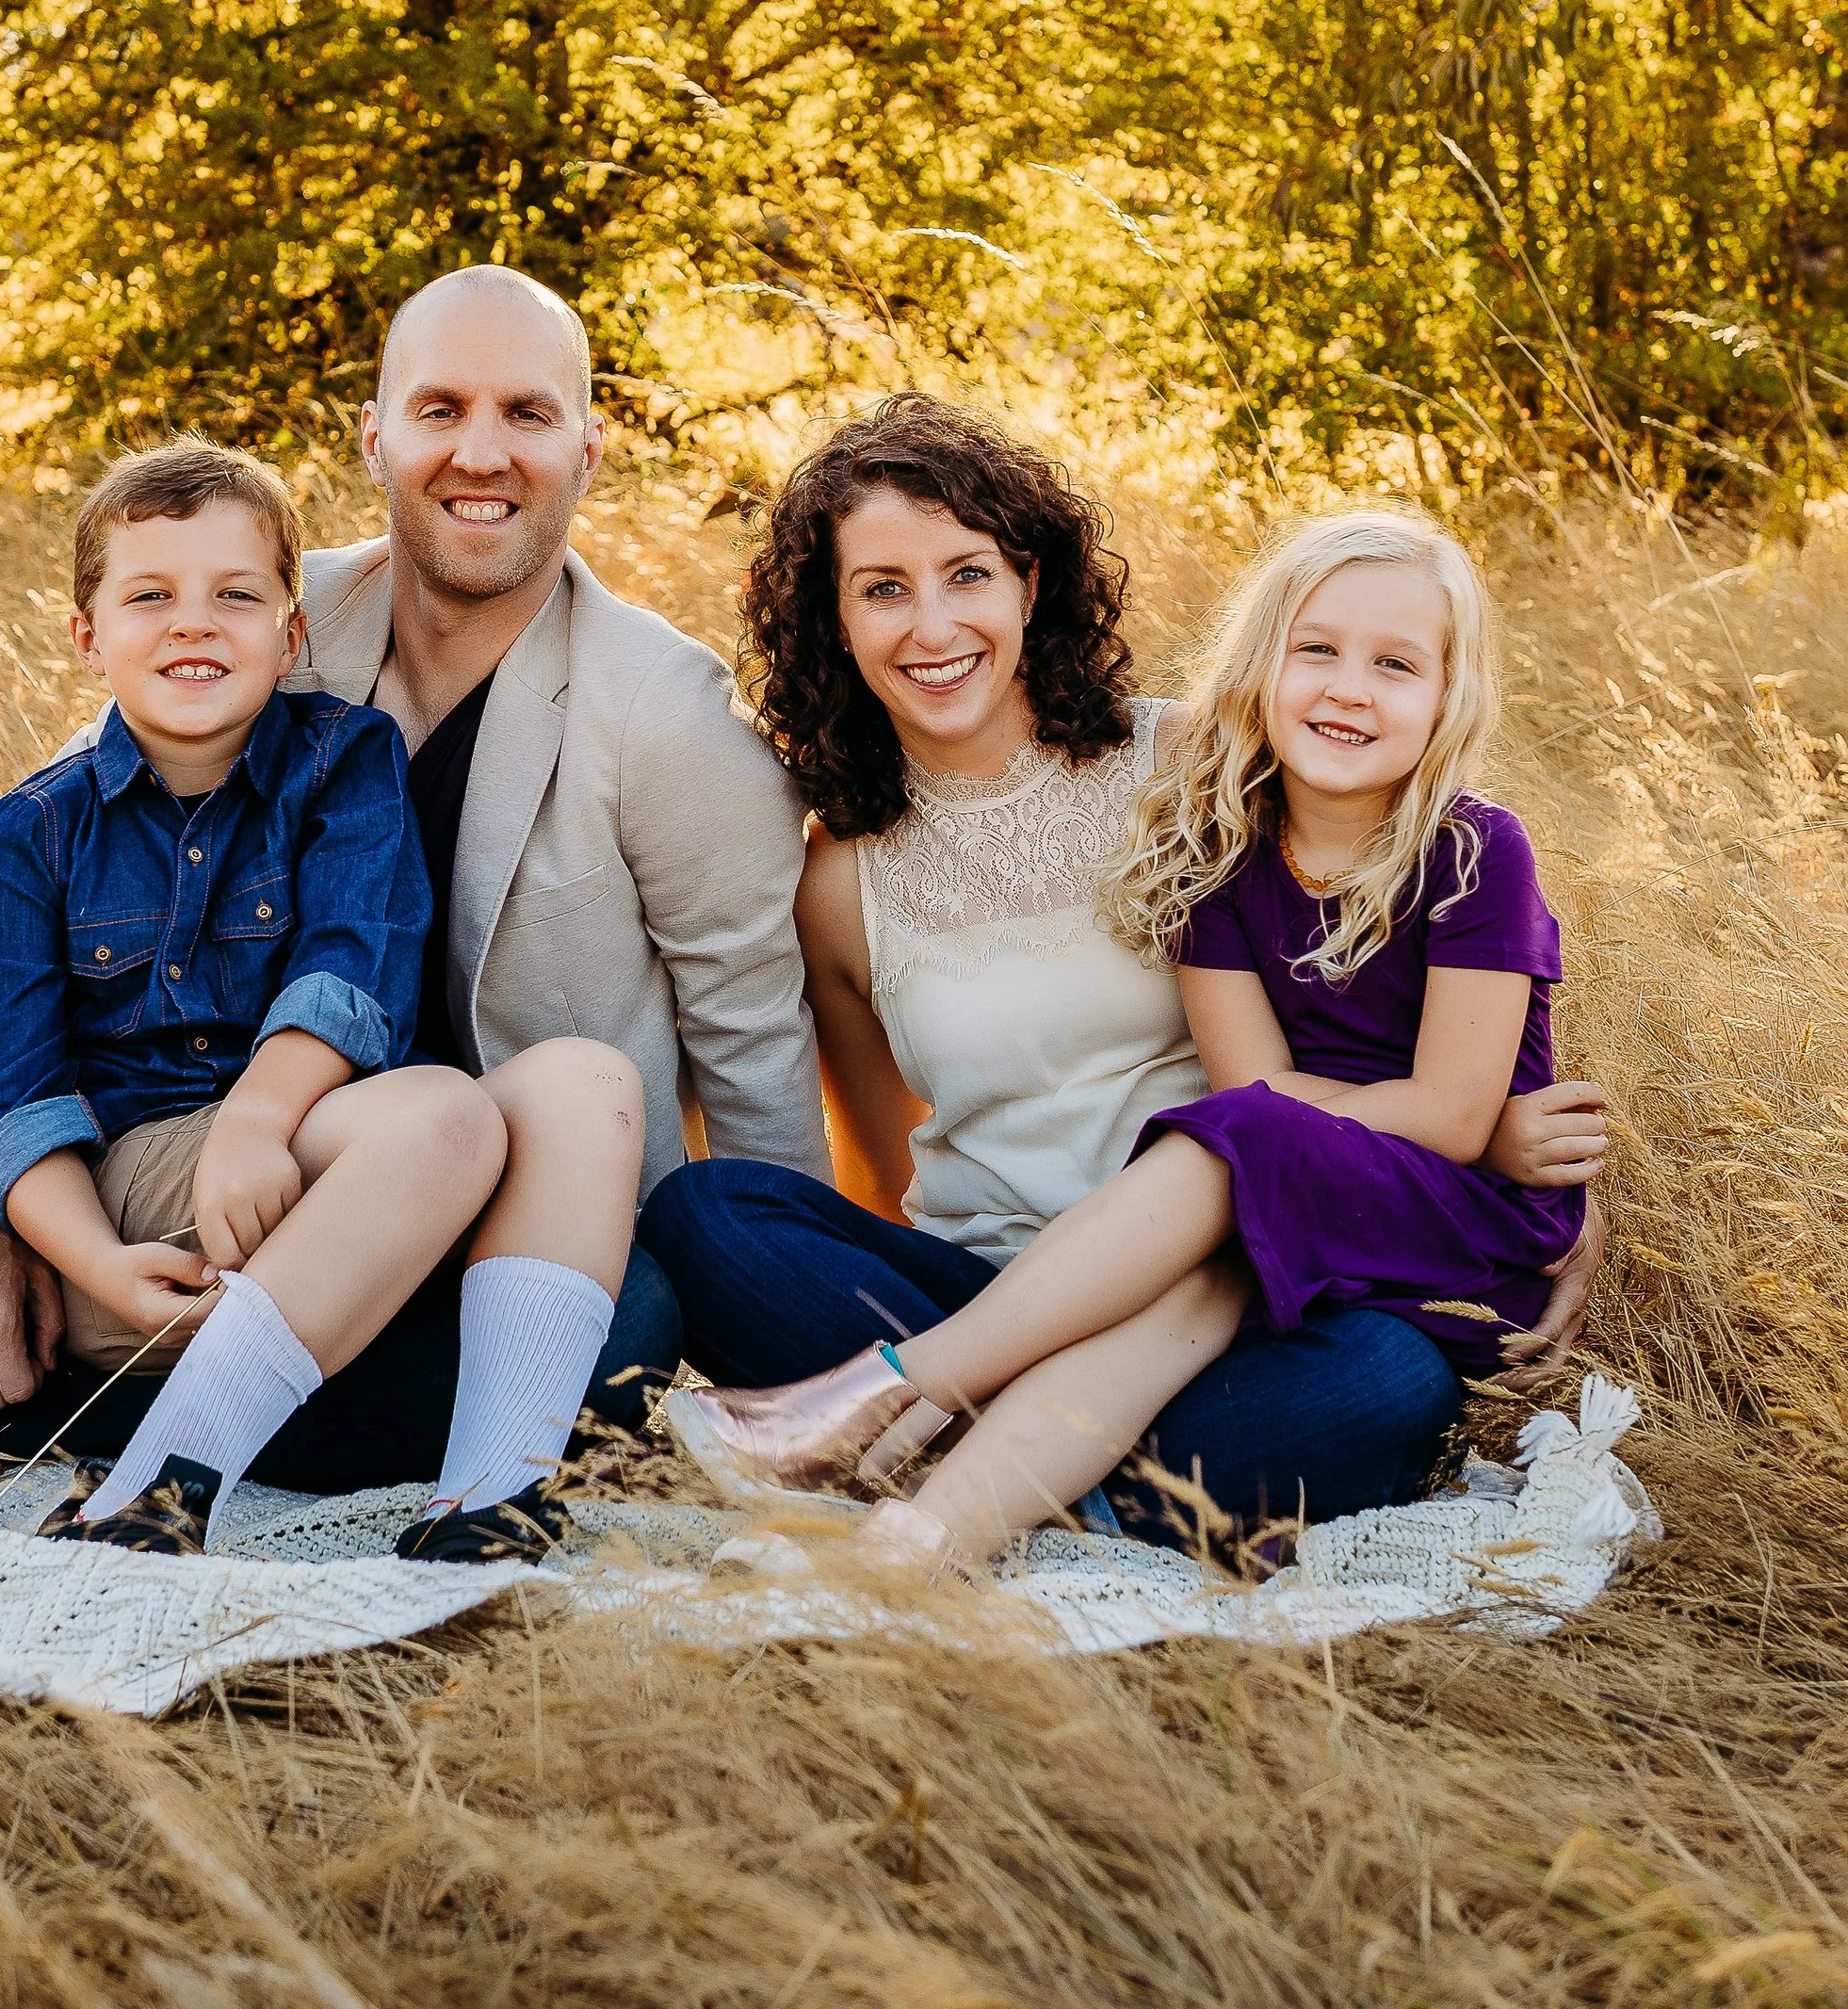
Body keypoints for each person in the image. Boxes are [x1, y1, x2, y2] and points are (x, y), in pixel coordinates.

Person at [0, 267, 829, 1532]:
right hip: (156, 1144)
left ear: (589, 445)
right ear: (376, 435)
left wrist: (802, 1361)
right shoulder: (256, 603)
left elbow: (754, 1042)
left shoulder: (664, 714)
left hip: (469, 1195)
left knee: (633, 1335)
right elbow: (11, 907)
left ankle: (140, 1419)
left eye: (528, 413)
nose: (482, 453)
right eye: (441, 408)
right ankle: (152, 1385)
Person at [639, 399, 1608, 1544]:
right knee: (708, 1213)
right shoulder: (838, 880)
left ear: (1030, 586)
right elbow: (878, 1162)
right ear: (833, 619)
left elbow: (1381, 951)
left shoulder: (1190, 767)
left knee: (1385, 1379)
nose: (933, 623)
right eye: (882, 587)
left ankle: (945, 1452)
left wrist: (1508, 1160)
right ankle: (1072, 1475)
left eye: (967, 574)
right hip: (982, 1282)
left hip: (1233, 1291)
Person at [0, 439, 634, 1558]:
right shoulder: (34, 829)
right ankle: (153, 1489)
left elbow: (352, 966)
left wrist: (260, 1120)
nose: (194, 623)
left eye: (236, 594)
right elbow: (17, 1100)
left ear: (293, 628)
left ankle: (488, 1506)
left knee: (585, 1081)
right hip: (141, 1241)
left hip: (336, 1178)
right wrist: (95, 1266)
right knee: (446, 1112)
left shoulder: (345, 760)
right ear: (88, 637)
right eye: (150, 596)